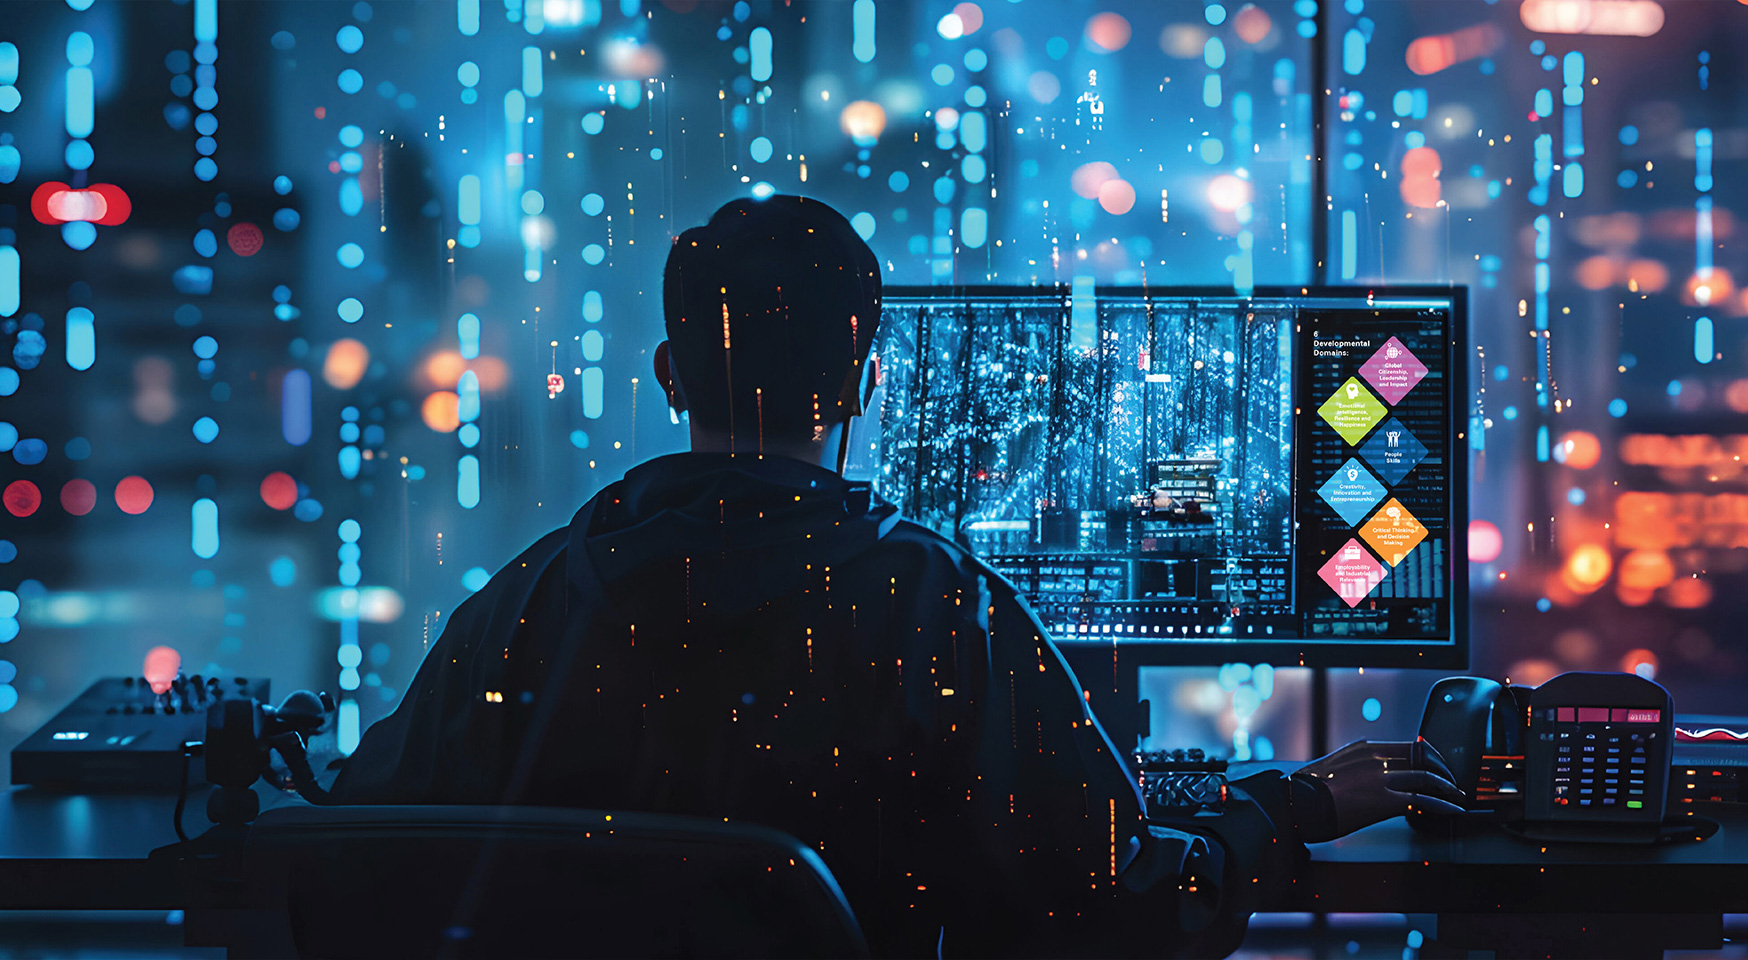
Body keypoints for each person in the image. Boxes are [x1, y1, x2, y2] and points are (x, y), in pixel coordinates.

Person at [330, 195, 1466, 958]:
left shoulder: (527, 602)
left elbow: (363, 853)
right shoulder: (935, 608)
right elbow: (1118, 905)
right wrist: (1286, 808)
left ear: (671, 374)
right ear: (866, 384)